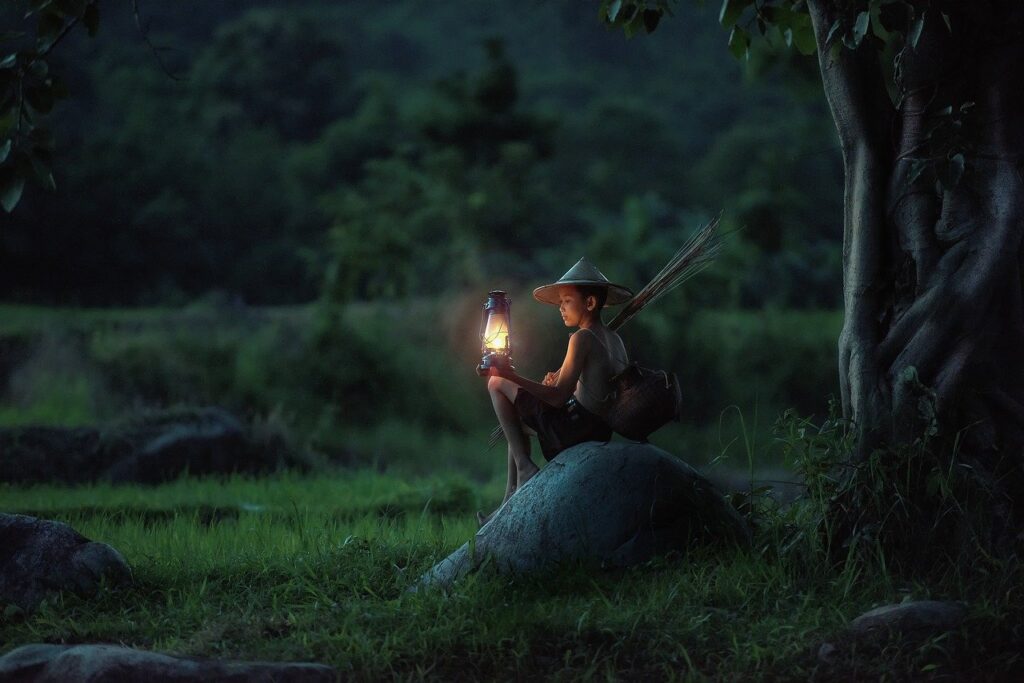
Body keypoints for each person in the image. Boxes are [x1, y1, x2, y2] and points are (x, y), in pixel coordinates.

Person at [479, 257, 632, 526]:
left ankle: (526, 469)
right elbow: (592, 388)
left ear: (590, 303)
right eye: (560, 302)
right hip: (597, 428)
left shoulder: (581, 338)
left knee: (495, 383)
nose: (561, 308)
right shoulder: (615, 340)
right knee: (515, 423)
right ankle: (507, 501)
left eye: (566, 301)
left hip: (574, 429)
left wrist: (511, 375)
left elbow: (559, 397)